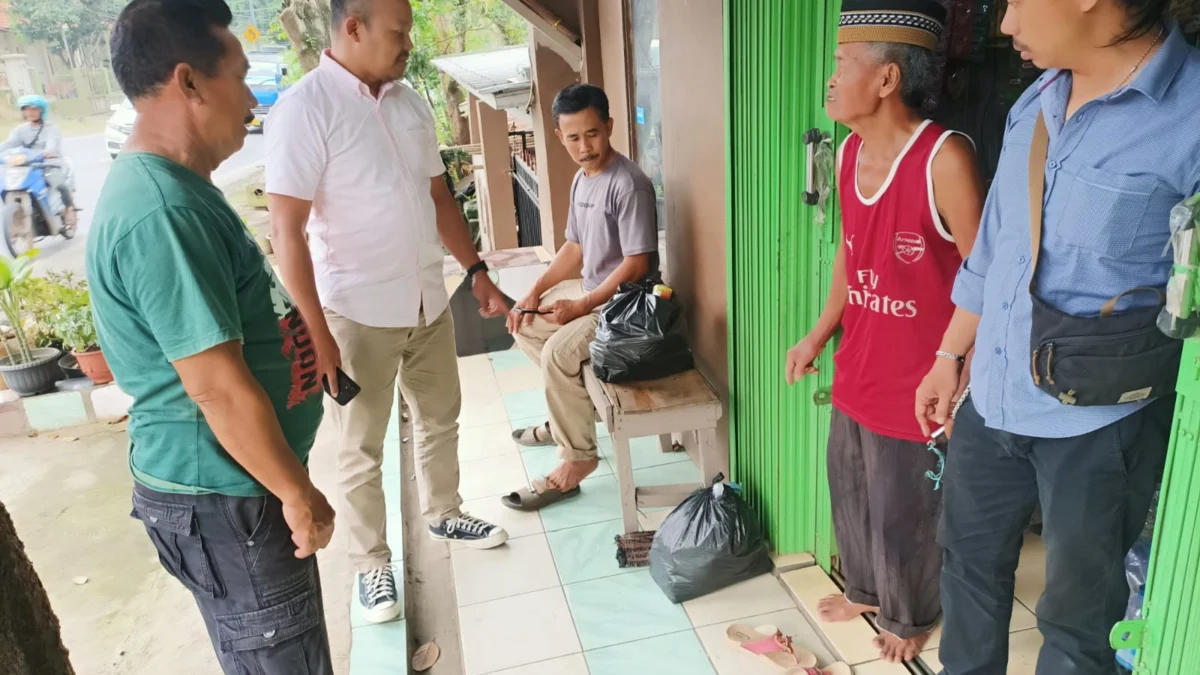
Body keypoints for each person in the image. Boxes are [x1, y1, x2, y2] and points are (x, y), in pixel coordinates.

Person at [914, 1, 1200, 673]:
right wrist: (950, 355)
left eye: (1017, 3)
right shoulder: (1035, 104)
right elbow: (994, 250)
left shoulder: (1189, 121)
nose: (1006, 23)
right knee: (967, 573)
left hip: (1104, 423)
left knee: (1078, 621)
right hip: (993, 399)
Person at [87, 1, 334, 672]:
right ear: (189, 82)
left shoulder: (179, 188)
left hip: (235, 491)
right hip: (230, 500)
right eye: (241, 76)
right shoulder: (161, 209)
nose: (253, 100)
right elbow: (218, 389)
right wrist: (295, 492)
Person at [265, 0, 509, 625]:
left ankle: (446, 513)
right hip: (356, 312)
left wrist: (476, 272)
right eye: (399, 33)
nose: (408, 44)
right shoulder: (305, 109)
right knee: (360, 447)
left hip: (427, 299)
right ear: (354, 28)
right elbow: (286, 232)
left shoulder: (407, 101)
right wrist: (317, 334)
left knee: (441, 417)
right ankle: (372, 565)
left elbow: (437, 197)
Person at [785, 0, 983, 663]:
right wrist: (818, 333)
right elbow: (851, 251)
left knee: (907, 512)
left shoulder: (944, 159)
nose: (831, 80)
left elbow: (985, 270)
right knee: (854, 490)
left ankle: (910, 611)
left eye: (842, 64)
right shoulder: (847, 153)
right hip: (860, 364)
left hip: (919, 378)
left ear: (888, 79)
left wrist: (961, 368)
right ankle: (869, 589)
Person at [500, 84, 659, 512]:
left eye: (592, 134)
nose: (585, 147)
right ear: (558, 136)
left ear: (609, 126)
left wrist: (583, 306)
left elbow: (637, 264)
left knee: (556, 354)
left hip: (628, 305)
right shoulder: (581, 178)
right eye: (573, 138)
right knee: (526, 323)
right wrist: (532, 292)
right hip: (592, 292)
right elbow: (575, 247)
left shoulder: (629, 184)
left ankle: (577, 462)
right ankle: (570, 416)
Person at [1, 95, 75, 214]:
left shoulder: (51, 128)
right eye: (27, 109)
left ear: (41, 110)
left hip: (49, 164)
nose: (30, 112)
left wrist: (47, 152)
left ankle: (68, 208)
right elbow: (8, 144)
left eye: (34, 109)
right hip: (27, 166)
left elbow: (52, 145)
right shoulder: (20, 130)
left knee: (59, 185)